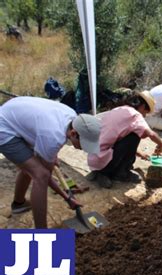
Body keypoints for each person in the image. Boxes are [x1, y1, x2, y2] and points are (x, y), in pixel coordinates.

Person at [0, 96, 101, 228]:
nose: (83, 148)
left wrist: (50, 157)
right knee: (39, 174)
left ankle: (19, 204)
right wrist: (66, 197)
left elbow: (47, 145)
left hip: (16, 114)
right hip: (4, 127)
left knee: (31, 167)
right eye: (83, 143)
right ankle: (42, 232)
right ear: (73, 133)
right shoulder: (53, 137)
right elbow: (45, 176)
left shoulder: (72, 116)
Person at [87, 91, 162, 188]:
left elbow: (116, 138)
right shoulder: (135, 115)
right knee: (134, 136)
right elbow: (151, 134)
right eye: (145, 112)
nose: (144, 116)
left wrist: (139, 153)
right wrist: (161, 145)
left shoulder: (119, 109)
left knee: (131, 134)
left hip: (94, 159)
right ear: (143, 106)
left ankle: (101, 172)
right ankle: (120, 173)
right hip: (103, 160)